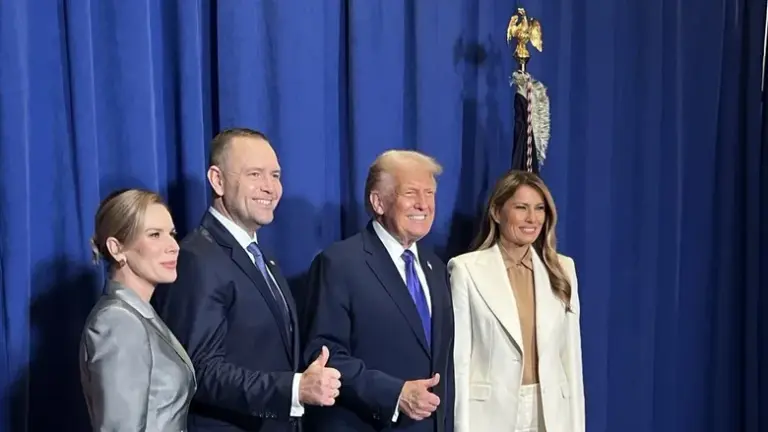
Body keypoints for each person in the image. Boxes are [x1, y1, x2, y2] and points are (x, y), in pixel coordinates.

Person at [151, 128, 340, 432]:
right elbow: (200, 371)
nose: (270, 187)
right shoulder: (197, 258)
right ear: (217, 180)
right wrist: (294, 389)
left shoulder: (262, 258)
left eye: (275, 175)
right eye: (255, 174)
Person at [301, 150, 455, 432]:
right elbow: (324, 355)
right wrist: (394, 394)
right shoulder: (339, 263)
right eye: (411, 193)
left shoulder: (436, 268)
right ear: (378, 202)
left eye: (430, 193)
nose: (423, 204)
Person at [448, 170, 585, 432]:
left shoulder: (562, 269)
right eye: (521, 208)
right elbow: (460, 361)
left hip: (550, 412)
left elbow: (571, 359)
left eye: (539, 208)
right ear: (497, 212)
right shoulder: (465, 270)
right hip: (490, 415)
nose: (532, 218)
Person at [80, 188, 196, 431]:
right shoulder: (118, 321)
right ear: (116, 248)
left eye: (172, 234)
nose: (173, 246)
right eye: (154, 235)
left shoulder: (140, 315)